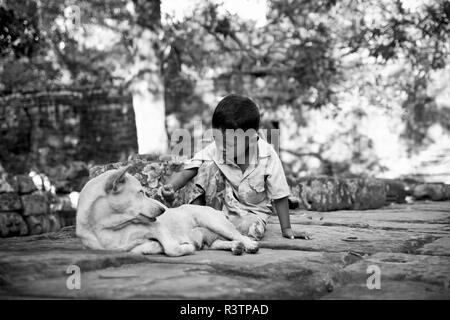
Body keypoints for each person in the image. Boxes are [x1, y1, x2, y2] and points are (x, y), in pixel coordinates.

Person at [160, 94, 310, 241]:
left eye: (229, 143)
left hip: (250, 213)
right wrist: (172, 187)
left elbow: (280, 194)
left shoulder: (267, 156)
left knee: (252, 230)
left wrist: (287, 229)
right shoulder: (215, 149)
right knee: (205, 167)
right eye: (216, 139)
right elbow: (189, 170)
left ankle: (212, 230)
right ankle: (201, 219)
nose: (221, 147)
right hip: (216, 209)